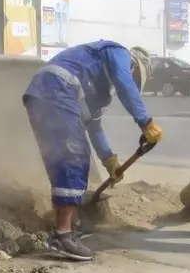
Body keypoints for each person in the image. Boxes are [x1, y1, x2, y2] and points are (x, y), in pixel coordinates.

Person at [23, 41, 161, 261]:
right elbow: (125, 85)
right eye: (134, 78)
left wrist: (110, 162)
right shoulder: (119, 53)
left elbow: (94, 127)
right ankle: (62, 235)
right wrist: (146, 122)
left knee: (62, 156)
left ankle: (69, 225)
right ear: (135, 66)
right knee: (73, 155)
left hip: (41, 94)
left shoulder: (98, 89)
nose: (130, 82)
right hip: (56, 88)